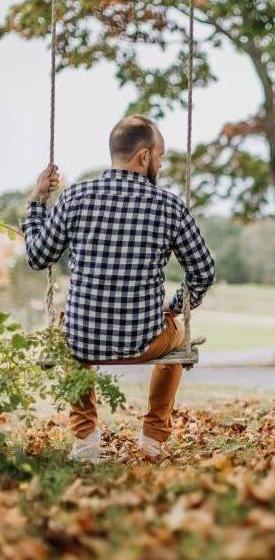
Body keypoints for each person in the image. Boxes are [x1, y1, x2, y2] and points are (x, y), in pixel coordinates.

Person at [22, 115, 216, 461]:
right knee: (178, 334)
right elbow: (203, 272)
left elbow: (37, 256)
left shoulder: (74, 197)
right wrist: (174, 306)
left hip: (84, 340)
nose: (160, 164)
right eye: (160, 156)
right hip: (145, 341)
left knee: (70, 333)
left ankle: (85, 440)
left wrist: (37, 201)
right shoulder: (169, 206)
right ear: (144, 156)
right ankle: (152, 437)